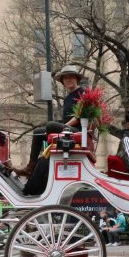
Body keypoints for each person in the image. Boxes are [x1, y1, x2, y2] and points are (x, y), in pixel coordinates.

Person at [19, 65, 87, 196]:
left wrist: (64, 128)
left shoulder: (82, 93)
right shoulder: (67, 98)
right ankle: (30, 167)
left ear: (76, 79)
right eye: (65, 78)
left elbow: (79, 116)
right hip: (67, 129)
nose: (68, 80)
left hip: (76, 131)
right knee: (38, 132)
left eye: (70, 77)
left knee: (50, 125)